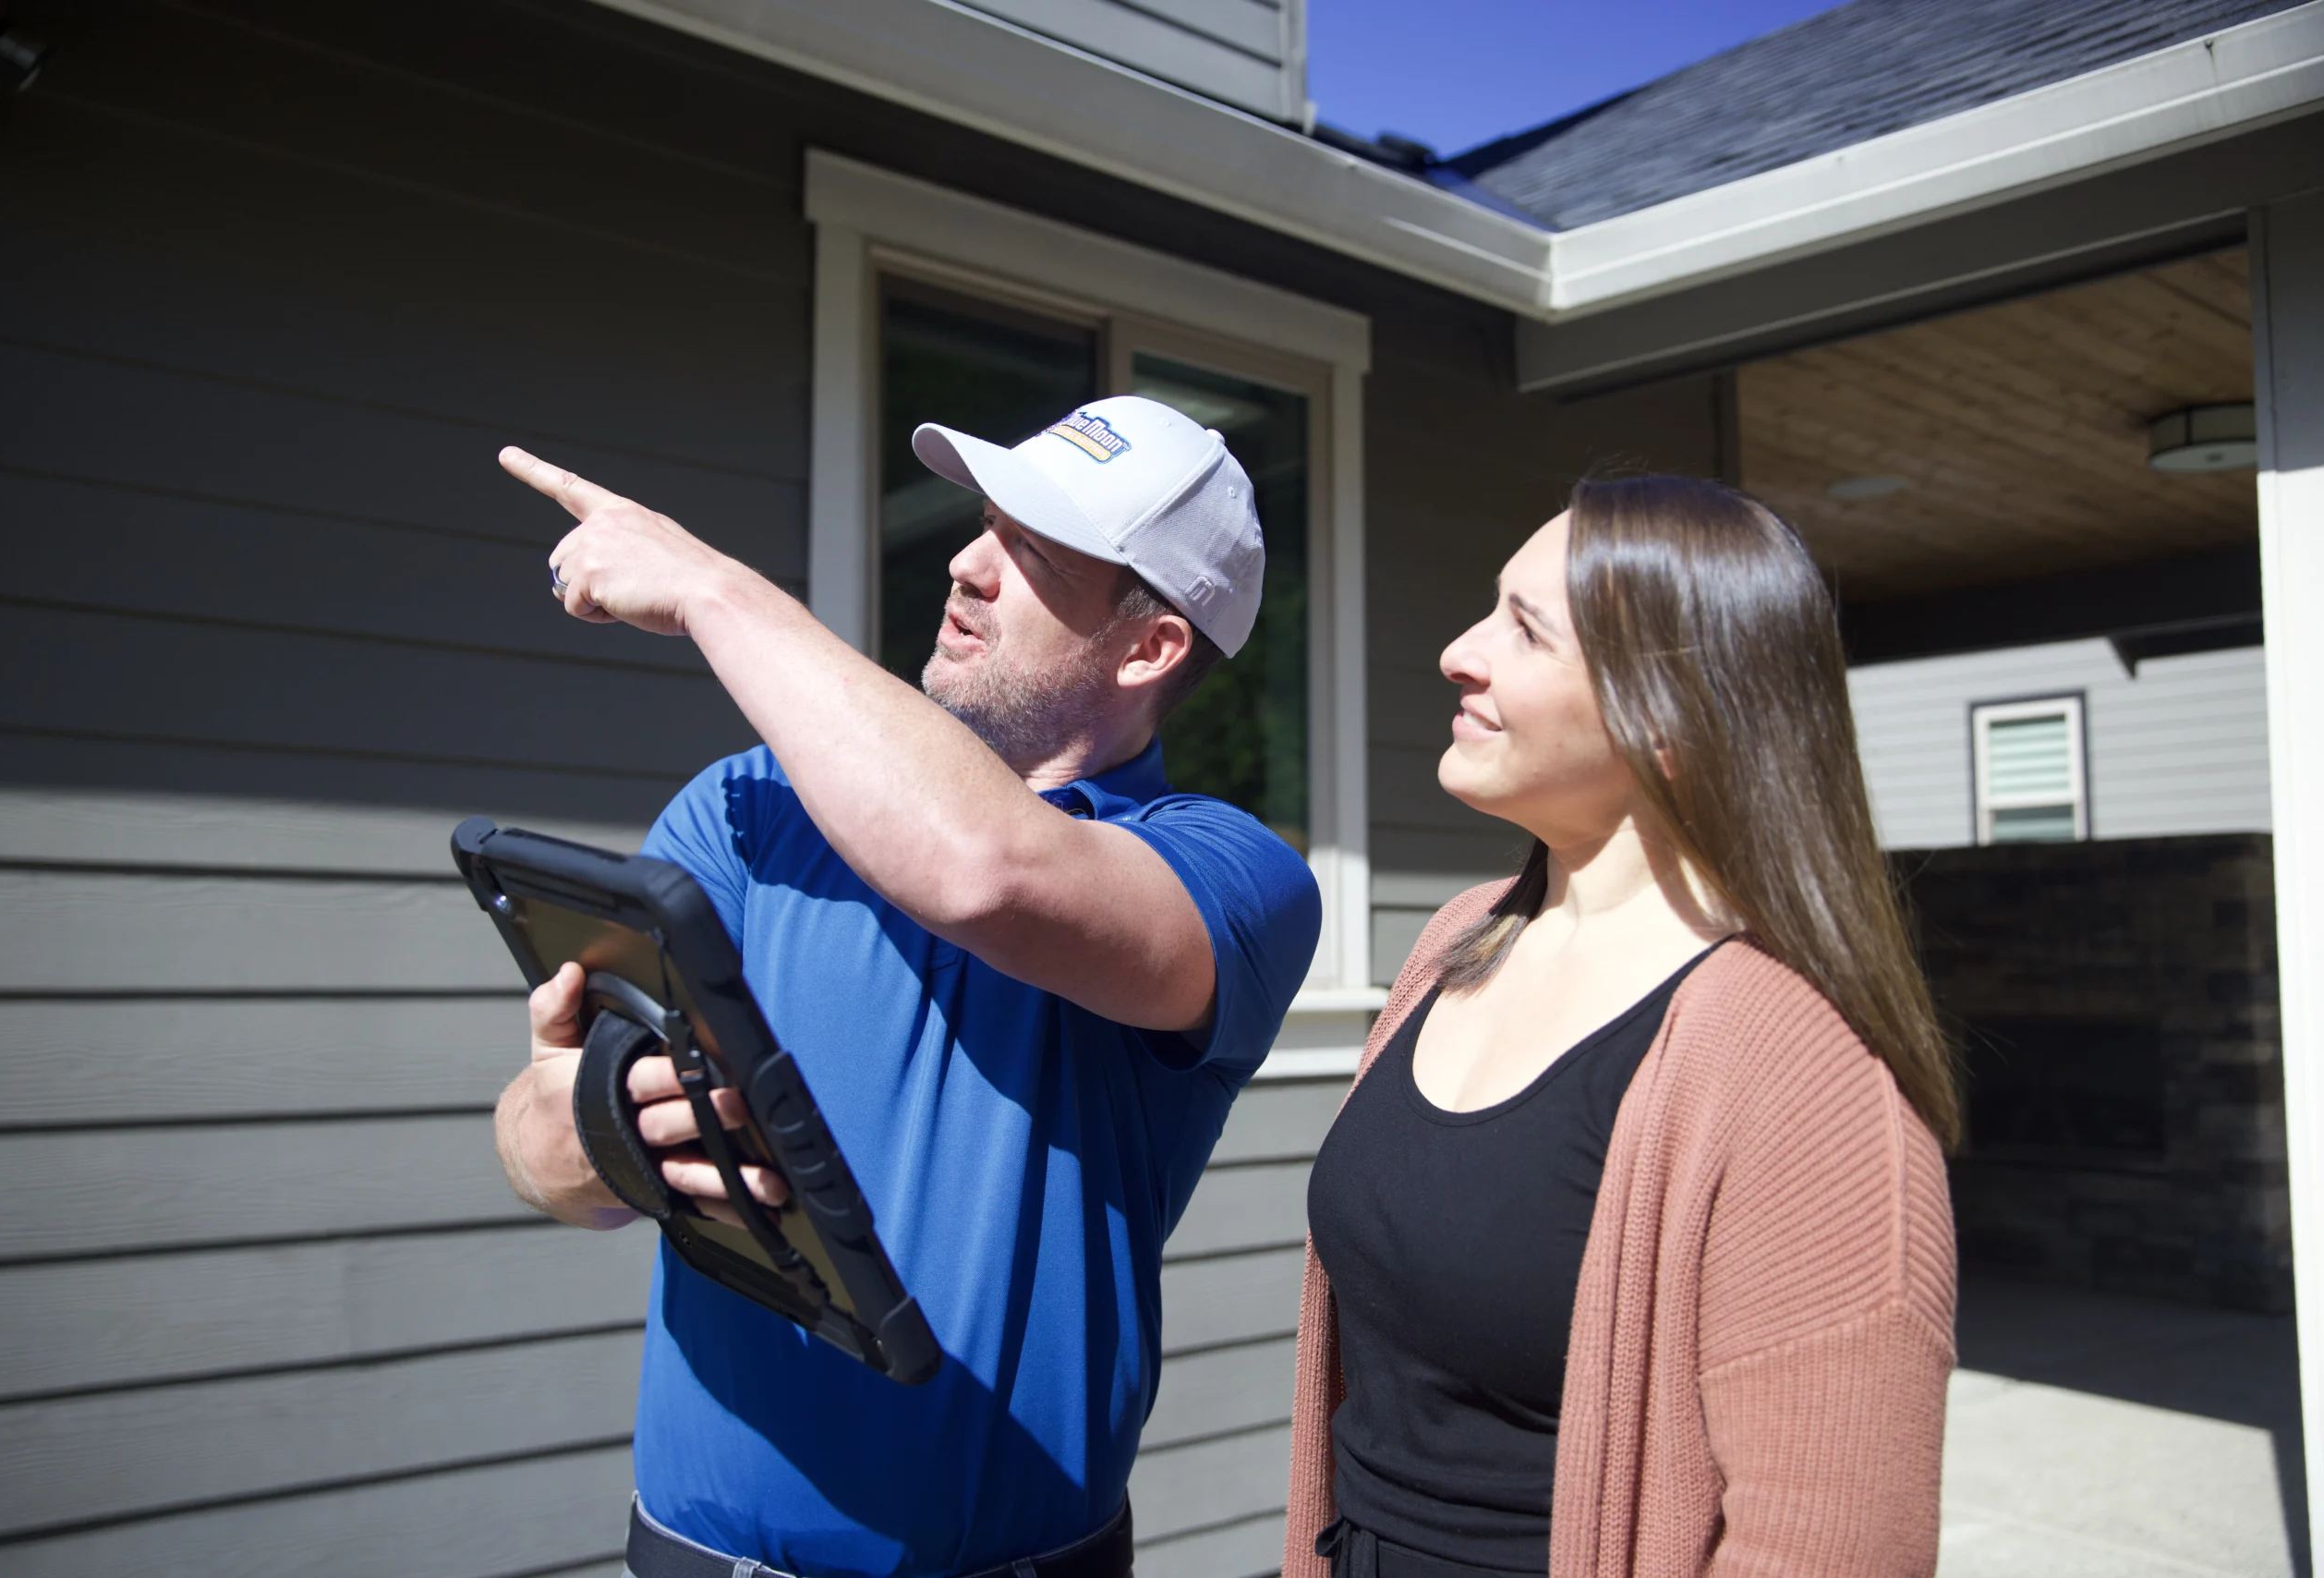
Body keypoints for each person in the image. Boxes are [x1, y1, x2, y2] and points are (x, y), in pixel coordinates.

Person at [489, 395, 1322, 1578]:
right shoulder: (750, 809)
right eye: (984, 527)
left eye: (1031, 553)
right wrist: (585, 1129)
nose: (967, 565)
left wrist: (713, 589)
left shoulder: (1233, 875)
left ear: (1149, 648)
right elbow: (542, 1148)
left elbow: (984, 869)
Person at [1285, 475, 1959, 1578]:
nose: (1458, 653)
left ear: (1671, 717)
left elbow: (1830, 1546)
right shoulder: (1460, 940)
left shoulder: (1808, 1063)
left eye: (1524, 629)